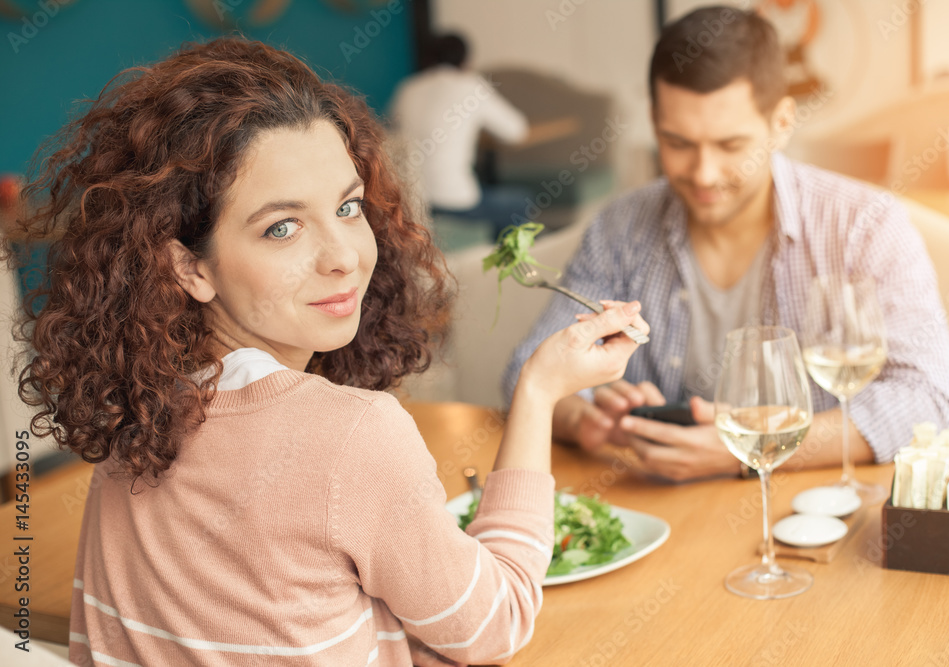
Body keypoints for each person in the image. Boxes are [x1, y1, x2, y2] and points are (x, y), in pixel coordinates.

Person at [5, 38, 648, 666]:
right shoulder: (354, 437)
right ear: (188, 267)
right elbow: (495, 623)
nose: (343, 256)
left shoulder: (138, 409)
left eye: (347, 206)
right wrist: (538, 392)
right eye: (281, 228)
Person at [502, 6, 949, 482]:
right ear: (655, 122)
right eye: (677, 143)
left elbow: (929, 400)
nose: (703, 174)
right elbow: (524, 372)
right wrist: (586, 418)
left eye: (730, 146)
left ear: (782, 122)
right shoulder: (620, 228)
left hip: (810, 517)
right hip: (662, 516)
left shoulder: (864, 226)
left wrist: (749, 446)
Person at [389, 33, 578, 239]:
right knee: (521, 200)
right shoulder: (470, 86)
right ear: (466, 61)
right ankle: (508, 259)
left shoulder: (407, 88)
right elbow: (517, 132)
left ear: (429, 59)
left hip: (414, 201)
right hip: (454, 201)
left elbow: (392, 135)